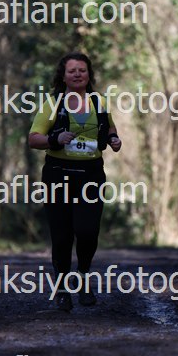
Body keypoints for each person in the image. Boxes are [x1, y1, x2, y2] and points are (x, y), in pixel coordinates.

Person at [28, 51, 121, 311]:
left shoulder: (99, 102)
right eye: (72, 71)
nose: (78, 74)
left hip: (91, 174)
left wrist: (114, 140)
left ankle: (82, 275)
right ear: (64, 76)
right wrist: (54, 139)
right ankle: (61, 288)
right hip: (58, 174)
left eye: (82, 70)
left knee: (88, 231)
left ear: (89, 74)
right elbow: (33, 138)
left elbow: (109, 128)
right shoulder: (53, 104)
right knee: (62, 236)